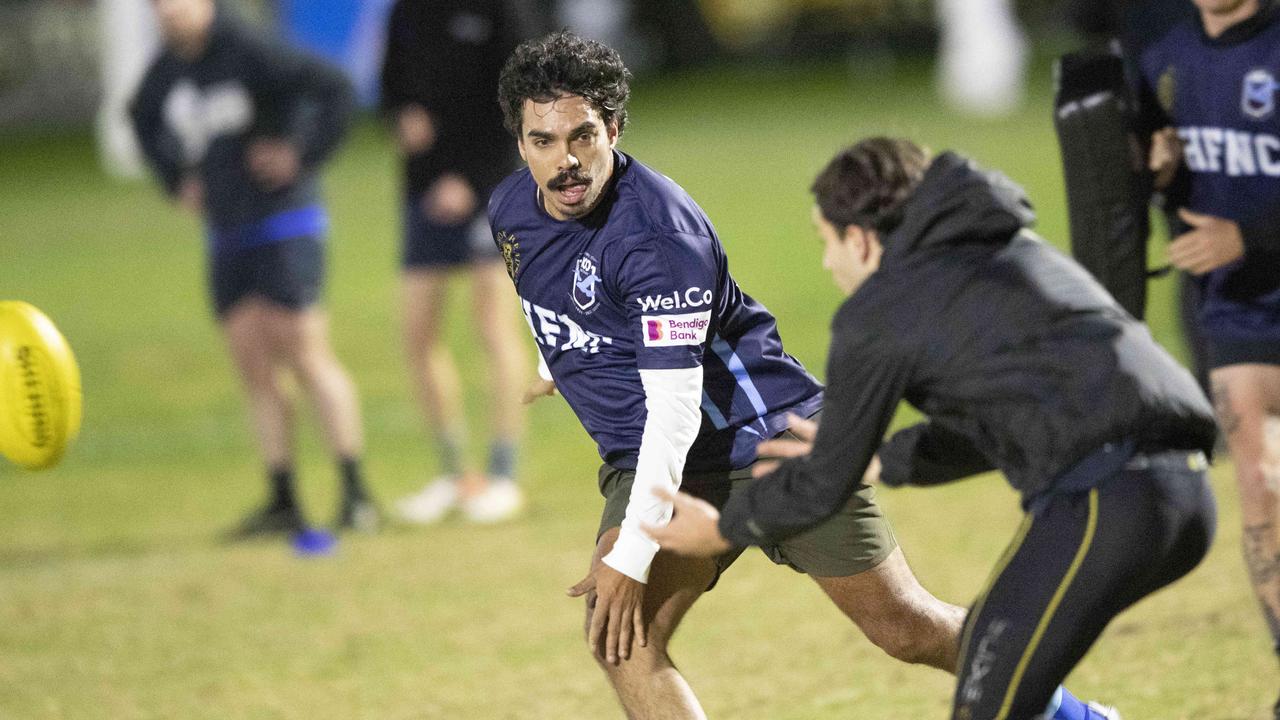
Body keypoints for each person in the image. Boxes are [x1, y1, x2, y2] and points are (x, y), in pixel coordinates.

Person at [492, 32, 1106, 720]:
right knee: (619, 636)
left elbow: (674, 411)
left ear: (613, 128)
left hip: (765, 441)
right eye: (543, 140)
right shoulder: (513, 210)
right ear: (521, 143)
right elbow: (554, 290)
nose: (566, 161)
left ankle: (1076, 716)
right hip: (656, 463)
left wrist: (630, 557)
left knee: (903, 627)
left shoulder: (658, 238)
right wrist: (557, 364)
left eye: (583, 136)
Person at [648, 138, 1218, 720]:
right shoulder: (1010, 253)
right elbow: (1017, 422)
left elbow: (823, 484)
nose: (826, 262)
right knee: (1000, 674)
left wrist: (724, 528)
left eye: (827, 241)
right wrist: (882, 458)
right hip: (1185, 495)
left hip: (1106, 503)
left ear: (861, 238)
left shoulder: (879, 310)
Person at [130, 0, 377, 535]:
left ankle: (356, 495)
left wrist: (300, 152)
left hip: (283, 223)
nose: (170, 11)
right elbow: (141, 114)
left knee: (306, 354)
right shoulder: (172, 64)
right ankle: (282, 499)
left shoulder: (251, 48)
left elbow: (335, 87)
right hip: (227, 231)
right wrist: (176, 178)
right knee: (253, 365)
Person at [1136, 1, 1280, 715]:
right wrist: (1161, 175)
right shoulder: (1163, 57)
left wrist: (1251, 238)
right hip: (1235, 309)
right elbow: (1166, 191)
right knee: (1259, 483)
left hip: (1253, 264)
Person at [380, 0, 536, 525]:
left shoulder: (502, 11)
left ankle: (502, 473)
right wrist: (400, 117)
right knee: (418, 332)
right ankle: (455, 473)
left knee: (493, 325)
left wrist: (470, 179)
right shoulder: (407, 10)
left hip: (491, 186)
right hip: (423, 188)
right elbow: (389, 87)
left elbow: (522, 104)